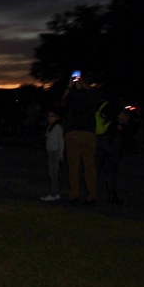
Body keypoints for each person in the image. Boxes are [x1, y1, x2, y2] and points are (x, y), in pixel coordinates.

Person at [61, 71, 102, 204]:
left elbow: (62, 102)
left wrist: (69, 86)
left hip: (73, 132)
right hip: (88, 133)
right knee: (89, 166)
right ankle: (91, 195)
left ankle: (74, 195)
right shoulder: (93, 95)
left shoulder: (73, 94)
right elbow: (94, 98)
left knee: (74, 167)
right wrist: (82, 85)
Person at [40, 107, 64, 202]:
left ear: (57, 117)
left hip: (55, 151)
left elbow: (61, 141)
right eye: (49, 116)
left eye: (52, 116)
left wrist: (61, 154)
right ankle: (56, 193)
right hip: (50, 151)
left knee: (53, 173)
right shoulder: (51, 127)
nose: (50, 118)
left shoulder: (57, 127)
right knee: (52, 173)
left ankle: (53, 193)